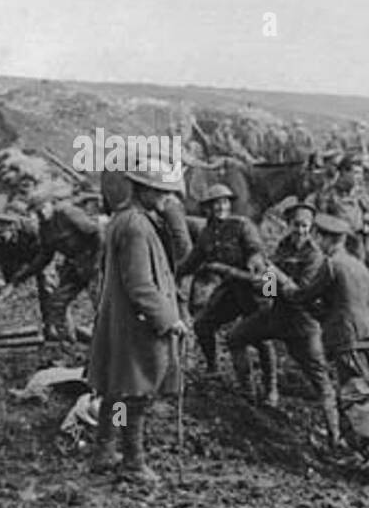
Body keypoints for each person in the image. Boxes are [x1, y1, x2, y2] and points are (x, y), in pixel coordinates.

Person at [88, 170, 188, 485]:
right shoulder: (136, 227)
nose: (167, 199)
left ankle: (104, 451)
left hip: (122, 319)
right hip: (138, 324)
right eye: (161, 192)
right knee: (137, 391)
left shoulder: (124, 219)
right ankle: (133, 462)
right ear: (143, 189)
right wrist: (169, 319)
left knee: (116, 385)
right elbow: (140, 284)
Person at [225, 200, 342, 451]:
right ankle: (249, 397)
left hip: (302, 324)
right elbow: (270, 282)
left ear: (311, 228)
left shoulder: (315, 255)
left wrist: (277, 276)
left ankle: (335, 435)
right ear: (289, 225)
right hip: (277, 316)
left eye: (305, 226)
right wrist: (265, 288)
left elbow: (301, 294)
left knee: (319, 378)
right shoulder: (283, 245)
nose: (301, 230)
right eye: (297, 225)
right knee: (235, 337)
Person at [283, 214, 369, 464]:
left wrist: (278, 284)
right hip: (367, 335)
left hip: (347, 338)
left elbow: (304, 295)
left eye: (316, 235)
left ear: (324, 238)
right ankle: (354, 449)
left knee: (354, 395)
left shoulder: (331, 265)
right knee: (352, 392)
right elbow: (345, 302)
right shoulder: (359, 265)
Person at [176, 183, 269, 376]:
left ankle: (271, 387)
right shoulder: (206, 234)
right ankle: (213, 369)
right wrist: (170, 275)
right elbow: (190, 263)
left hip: (255, 291)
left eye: (225, 202)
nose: (221, 207)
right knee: (202, 325)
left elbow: (256, 250)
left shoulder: (242, 225)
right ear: (207, 208)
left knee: (262, 338)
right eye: (216, 204)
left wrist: (255, 260)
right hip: (231, 291)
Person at [11, 192, 101, 341]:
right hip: (74, 264)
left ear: (50, 204)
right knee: (57, 302)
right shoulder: (44, 227)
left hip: (94, 259)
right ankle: (67, 342)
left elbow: (97, 232)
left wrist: (98, 262)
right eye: (37, 211)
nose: (41, 213)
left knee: (101, 301)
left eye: (43, 208)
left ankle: (112, 341)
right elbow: (45, 256)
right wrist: (21, 277)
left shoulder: (67, 212)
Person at [0, 198, 45, 324]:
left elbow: (35, 258)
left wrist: (15, 281)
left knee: (46, 284)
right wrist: (0, 280)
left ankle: (51, 321)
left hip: (36, 258)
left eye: (2, 234)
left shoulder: (30, 230)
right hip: (10, 259)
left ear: (12, 227)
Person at [318, 154, 369, 261]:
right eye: (356, 173)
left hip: (359, 242)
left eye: (361, 173)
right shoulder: (329, 194)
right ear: (343, 173)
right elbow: (321, 220)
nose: (360, 177)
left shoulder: (361, 193)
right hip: (337, 245)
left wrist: (368, 227)